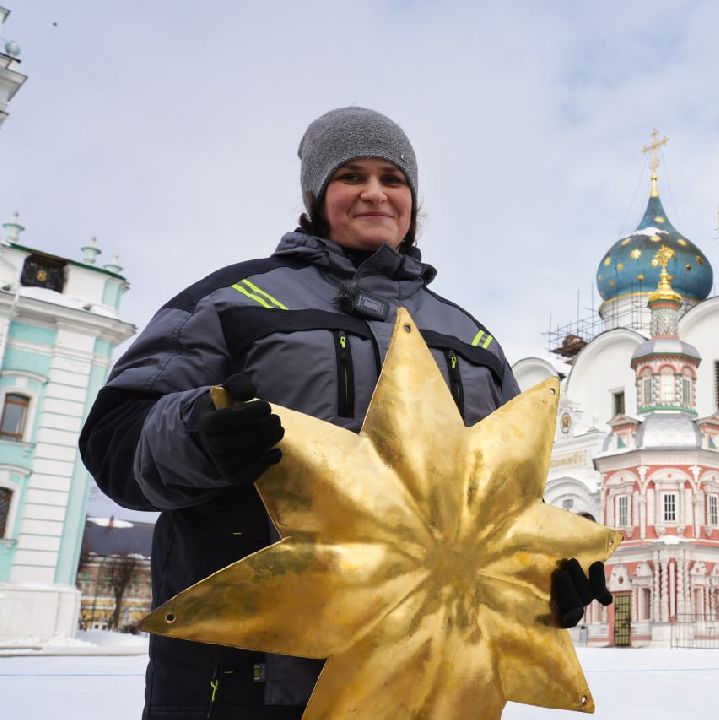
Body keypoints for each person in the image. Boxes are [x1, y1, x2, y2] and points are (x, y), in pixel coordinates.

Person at [79, 107, 609, 720]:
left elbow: (507, 505)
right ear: (316, 196)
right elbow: (116, 434)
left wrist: (547, 578)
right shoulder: (230, 302)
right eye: (351, 176)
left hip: (435, 686)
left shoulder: (473, 341)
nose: (375, 192)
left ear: (413, 200)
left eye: (393, 178)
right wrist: (196, 436)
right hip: (247, 684)